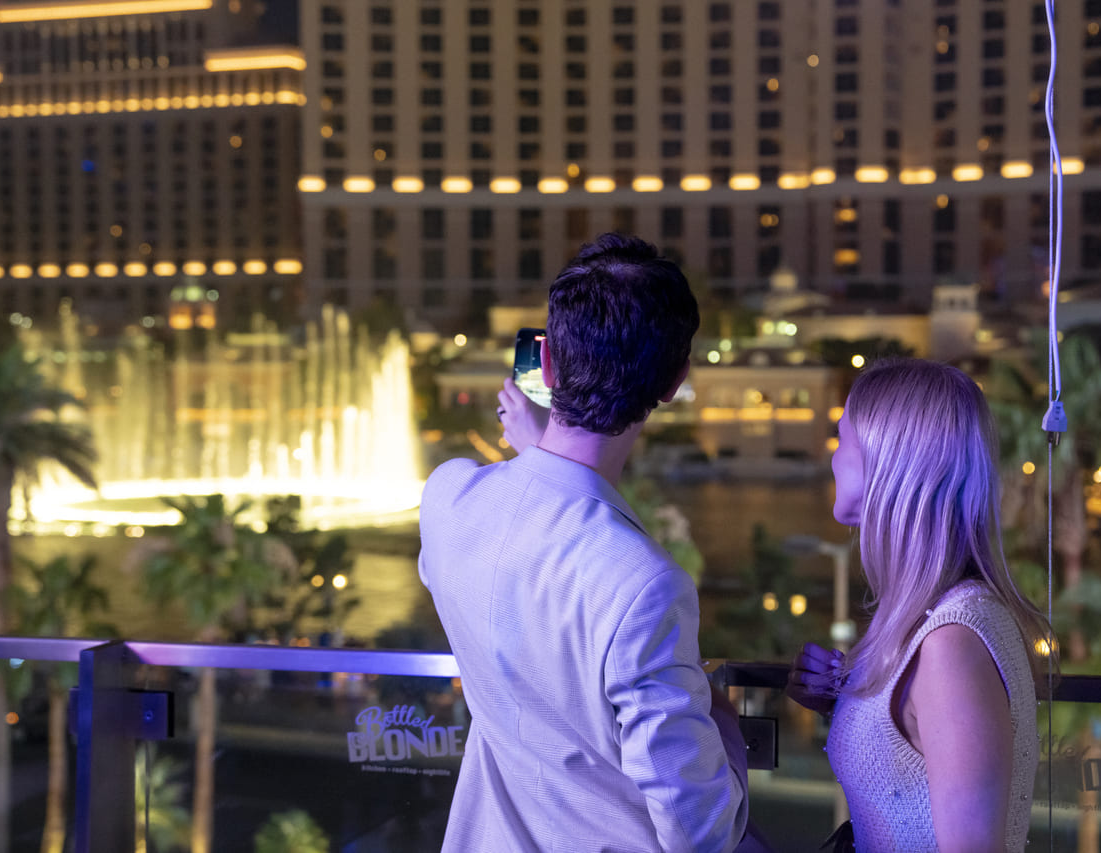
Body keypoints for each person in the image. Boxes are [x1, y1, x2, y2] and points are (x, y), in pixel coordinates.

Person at [419, 233, 753, 852]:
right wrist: (723, 726)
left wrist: (536, 453)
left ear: (545, 366)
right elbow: (698, 830)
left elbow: (536, 540)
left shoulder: (448, 500)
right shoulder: (644, 584)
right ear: (674, 382)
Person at [787, 359, 1053, 853]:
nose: (832, 457)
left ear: (887, 460)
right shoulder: (932, 622)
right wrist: (847, 698)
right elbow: (914, 759)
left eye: (842, 439)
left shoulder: (954, 644)